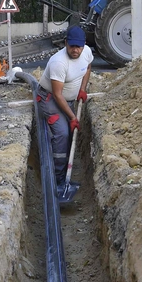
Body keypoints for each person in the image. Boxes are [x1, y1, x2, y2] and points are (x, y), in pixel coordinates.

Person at [36, 26, 93, 185]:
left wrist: (82, 89)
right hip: (49, 98)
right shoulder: (58, 63)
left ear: (84, 44)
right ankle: (57, 179)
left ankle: (66, 169)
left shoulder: (86, 52)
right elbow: (57, 94)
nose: (75, 50)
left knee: (70, 130)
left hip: (67, 99)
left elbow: (88, 67)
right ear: (66, 43)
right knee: (63, 134)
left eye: (78, 46)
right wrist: (73, 117)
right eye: (72, 46)